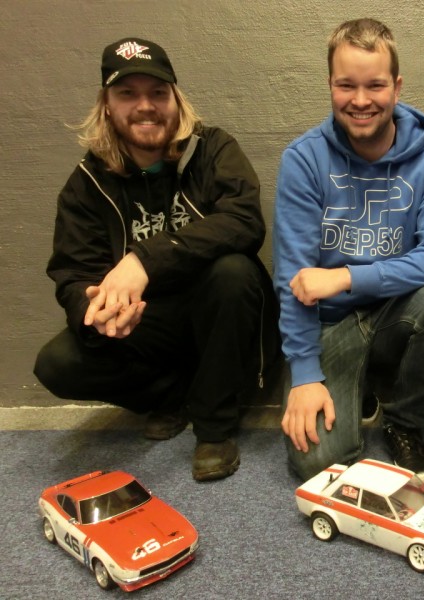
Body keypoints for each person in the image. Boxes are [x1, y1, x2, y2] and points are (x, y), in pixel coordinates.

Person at [34, 37, 279, 481]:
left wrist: (143, 260)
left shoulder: (212, 148)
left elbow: (244, 222)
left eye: (157, 93)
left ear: (175, 99)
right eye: (128, 93)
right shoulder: (86, 183)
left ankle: (215, 428)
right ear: (107, 105)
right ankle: (171, 397)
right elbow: (72, 273)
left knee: (234, 271)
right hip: (149, 325)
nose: (145, 106)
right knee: (57, 363)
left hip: (218, 315)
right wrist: (94, 312)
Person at [273, 18, 424, 484]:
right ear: (330, 84)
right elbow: (293, 279)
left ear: (397, 87)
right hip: (328, 326)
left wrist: (346, 277)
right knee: (319, 465)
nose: (361, 100)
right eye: (346, 85)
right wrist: (304, 375)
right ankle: (352, 386)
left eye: (375, 85)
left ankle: (404, 422)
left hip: (395, 313)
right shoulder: (303, 160)